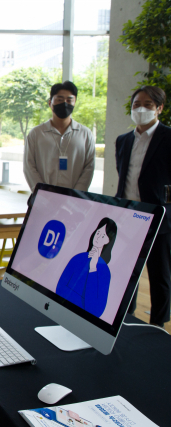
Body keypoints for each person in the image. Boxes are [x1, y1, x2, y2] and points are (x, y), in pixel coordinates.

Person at [115, 85, 171, 328]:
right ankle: (127, 318)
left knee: (159, 276)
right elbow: (123, 175)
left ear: (159, 108)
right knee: (127, 273)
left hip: (160, 218)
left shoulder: (168, 138)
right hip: (128, 216)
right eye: (136, 104)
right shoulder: (123, 140)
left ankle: (158, 325)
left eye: (148, 105)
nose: (141, 109)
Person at [24, 81, 95, 192]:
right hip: (43, 198)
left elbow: (89, 167)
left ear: (75, 102)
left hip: (74, 200)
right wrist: (42, 192)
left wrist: (76, 194)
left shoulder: (85, 134)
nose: (65, 103)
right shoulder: (36, 134)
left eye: (69, 100)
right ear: (50, 103)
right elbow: (29, 166)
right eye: (59, 99)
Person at [56, 218, 117, 318]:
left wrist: (93, 268)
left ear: (108, 241)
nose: (98, 238)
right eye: (98, 233)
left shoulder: (104, 272)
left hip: (81, 318)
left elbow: (95, 309)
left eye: (102, 236)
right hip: (60, 308)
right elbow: (60, 288)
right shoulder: (78, 258)